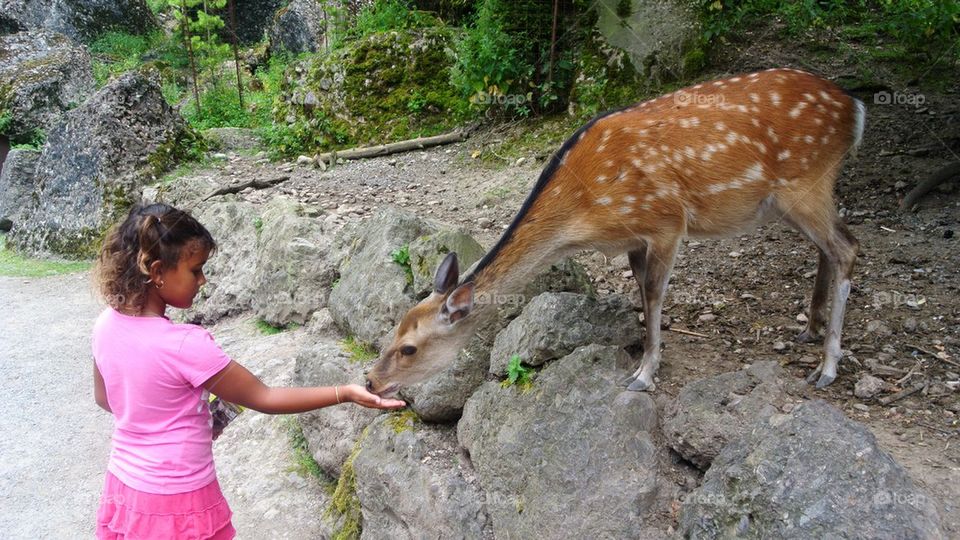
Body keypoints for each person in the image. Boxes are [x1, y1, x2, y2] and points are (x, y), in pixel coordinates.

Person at [91, 203, 405, 539]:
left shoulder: (105, 324)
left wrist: (170, 413)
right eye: (195, 270)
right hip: (178, 497)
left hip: (125, 486)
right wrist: (344, 393)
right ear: (156, 272)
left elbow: (106, 398)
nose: (202, 280)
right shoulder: (184, 344)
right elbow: (264, 397)